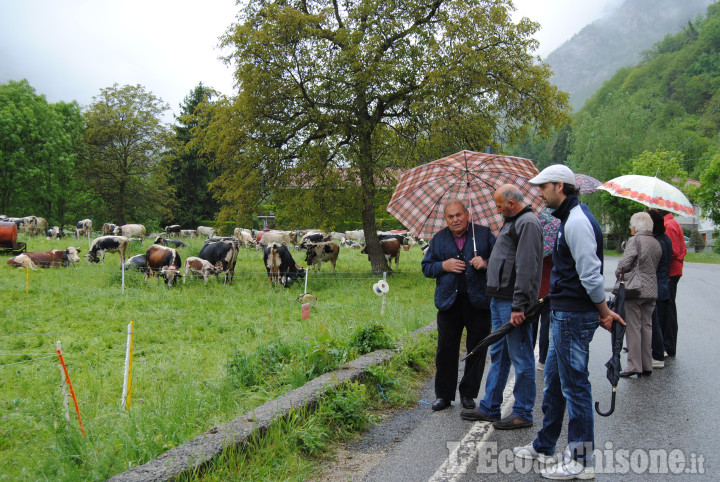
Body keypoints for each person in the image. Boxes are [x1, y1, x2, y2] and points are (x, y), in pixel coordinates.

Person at [514, 165, 624, 480]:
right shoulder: (569, 218)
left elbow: (591, 275)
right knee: (554, 383)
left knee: (575, 386)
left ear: (559, 186)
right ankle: (545, 444)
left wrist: (603, 311)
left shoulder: (576, 222)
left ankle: (581, 460)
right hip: (564, 312)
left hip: (573, 316)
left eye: (543, 188)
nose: (539, 193)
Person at [460, 184, 542, 430]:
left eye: (498, 205)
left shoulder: (526, 223)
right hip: (500, 298)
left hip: (511, 302)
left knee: (520, 356)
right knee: (499, 355)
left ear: (511, 204)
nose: (496, 210)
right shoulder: (513, 221)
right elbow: (507, 258)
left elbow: (527, 266)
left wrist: (519, 305)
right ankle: (490, 406)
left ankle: (523, 412)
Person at [421, 199, 495, 411]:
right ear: (446, 219)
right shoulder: (438, 239)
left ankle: (468, 394)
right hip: (448, 303)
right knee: (445, 349)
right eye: (450, 216)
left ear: (467, 214)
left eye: (459, 215)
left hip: (478, 302)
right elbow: (426, 268)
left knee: (477, 349)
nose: (455, 220)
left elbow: (501, 259)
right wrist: (443, 265)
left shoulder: (484, 234)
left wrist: (486, 262)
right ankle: (443, 395)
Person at [616, 212, 661, 377]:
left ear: (636, 226)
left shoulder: (635, 240)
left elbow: (624, 264)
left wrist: (617, 272)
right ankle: (646, 364)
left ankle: (634, 365)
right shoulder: (655, 242)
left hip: (635, 289)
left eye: (631, 225)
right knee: (647, 326)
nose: (630, 228)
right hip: (651, 289)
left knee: (633, 327)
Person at [656, 209, 686, 357]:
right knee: (667, 309)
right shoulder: (671, 223)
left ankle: (668, 346)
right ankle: (666, 344)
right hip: (673, 270)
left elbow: (672, 250)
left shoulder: (668, 225)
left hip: (670, 271)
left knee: (667, 309)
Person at [649, 209, 672, 369]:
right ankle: (661, 349)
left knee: (654, 320)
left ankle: (657, 354)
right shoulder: (666, 239)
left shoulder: (657, 242)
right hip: (664, 283)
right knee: (659, 319)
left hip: (656, 284)